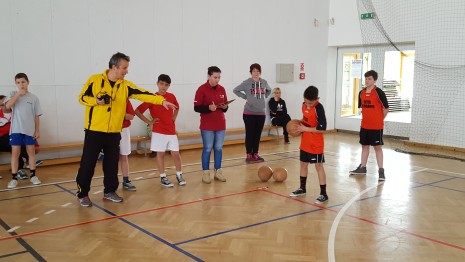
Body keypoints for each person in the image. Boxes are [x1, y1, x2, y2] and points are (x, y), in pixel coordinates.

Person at [76, 52, 176, 207]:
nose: (126, 71)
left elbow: (144, 94)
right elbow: (81, 98)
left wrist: (161, 101)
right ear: (114, 67)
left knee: (111, 164)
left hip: (114, 132)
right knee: (88, 164)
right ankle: (83, 193)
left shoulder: (126, 86)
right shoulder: (94, 80)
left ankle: (109, 191)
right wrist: (96, 101)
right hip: (94, 131)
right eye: (124, 68)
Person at [135, 74, 186, 187]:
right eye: (161, 84)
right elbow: (137, 111)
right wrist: (149, 122)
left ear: (169, 86)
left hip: (171, 130)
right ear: (157, 83)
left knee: (176, 154)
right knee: (160, 154)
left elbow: (177, 107)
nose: (163, 86)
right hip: (158, 131)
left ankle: (179, 174)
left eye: (166, 85)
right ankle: (163, 177)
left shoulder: (171, 96)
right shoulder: (152, 97)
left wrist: (173, 119)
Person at [289, 86, 328, 204]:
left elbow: (322, 128)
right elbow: (305, 118)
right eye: (306, 102)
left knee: (318, 167)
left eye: (311, 102)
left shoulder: (319, 108)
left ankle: (323, 194)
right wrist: (298, 124)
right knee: (303, 165)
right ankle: (302, 188)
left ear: (317, 99)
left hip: (316, 143)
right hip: (305, 141)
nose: (308, 105)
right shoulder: (304, 104)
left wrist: (305, 128)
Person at [4, 73, 42, 189]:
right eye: (18, 82)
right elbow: (7, 107)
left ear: (28, 82)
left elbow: (36, 116)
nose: (21, 84)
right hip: (15, 130)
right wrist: (18, 94)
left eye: (23, 82)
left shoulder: (34, 98)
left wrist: (37, 130)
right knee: (15, 153)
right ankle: (14, 178)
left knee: (31, 153)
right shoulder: (12, 95)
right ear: (16, 84)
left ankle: (33, 176)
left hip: (29, 131)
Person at [349, 70, 389, 181]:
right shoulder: (361, 93)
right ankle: (362, 167)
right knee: (364, 146)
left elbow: (386, 109)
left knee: (377, 148)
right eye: (366, 78)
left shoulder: (379, 92)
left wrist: (379, 120)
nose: (367, 81)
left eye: (369, 79)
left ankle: (381, 171)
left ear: (375, 80)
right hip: (364, 126)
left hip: (376, 127)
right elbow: (363, 109)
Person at [194, 66, 228, 184]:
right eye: (215, 77)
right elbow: (196, 107)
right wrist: (208, 107)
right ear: (209, 76)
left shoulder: (222, 89)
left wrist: (225, 107)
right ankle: (206, 173)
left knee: (218, 148)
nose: (217, 80)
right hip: (207, 125)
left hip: (220, 124)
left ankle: (218, 172)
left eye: (219, 77)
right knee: (208, 148)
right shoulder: (201, 89)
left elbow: (225, 107)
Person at [233, 63, 271, 163]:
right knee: (250, 134)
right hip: (249, 113)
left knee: (257, 135)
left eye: (258, 71)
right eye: (254, 71)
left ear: (260, 72)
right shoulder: (246, 82)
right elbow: (235, 90)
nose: (256, 73)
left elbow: (269, 90)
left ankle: (256, 154)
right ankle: (249, 154)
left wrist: (265, 95)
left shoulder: (264, 82)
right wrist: (246, 97)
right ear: (251, 72)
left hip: (261, 113)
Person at [120, 100, 136, 191]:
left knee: (124, 155)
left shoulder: (125, 99)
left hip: (124, 131)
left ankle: (126, 180)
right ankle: (110, 184)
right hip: (109, 131)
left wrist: (118, 114)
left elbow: (131, 116)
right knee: (110, 159)